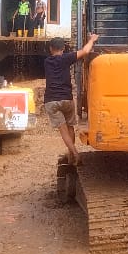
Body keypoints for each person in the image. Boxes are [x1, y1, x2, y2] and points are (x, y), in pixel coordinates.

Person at [43, 34, 99, 166]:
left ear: (51, 49)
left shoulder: (47, 62)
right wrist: (92, 39)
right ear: (63, 48)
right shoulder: (66, 58)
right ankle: (72, 154)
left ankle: (74, 153)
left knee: (63, 130)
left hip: (51, 100)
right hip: (67, 99)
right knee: (70, 127)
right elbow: (85, 51)